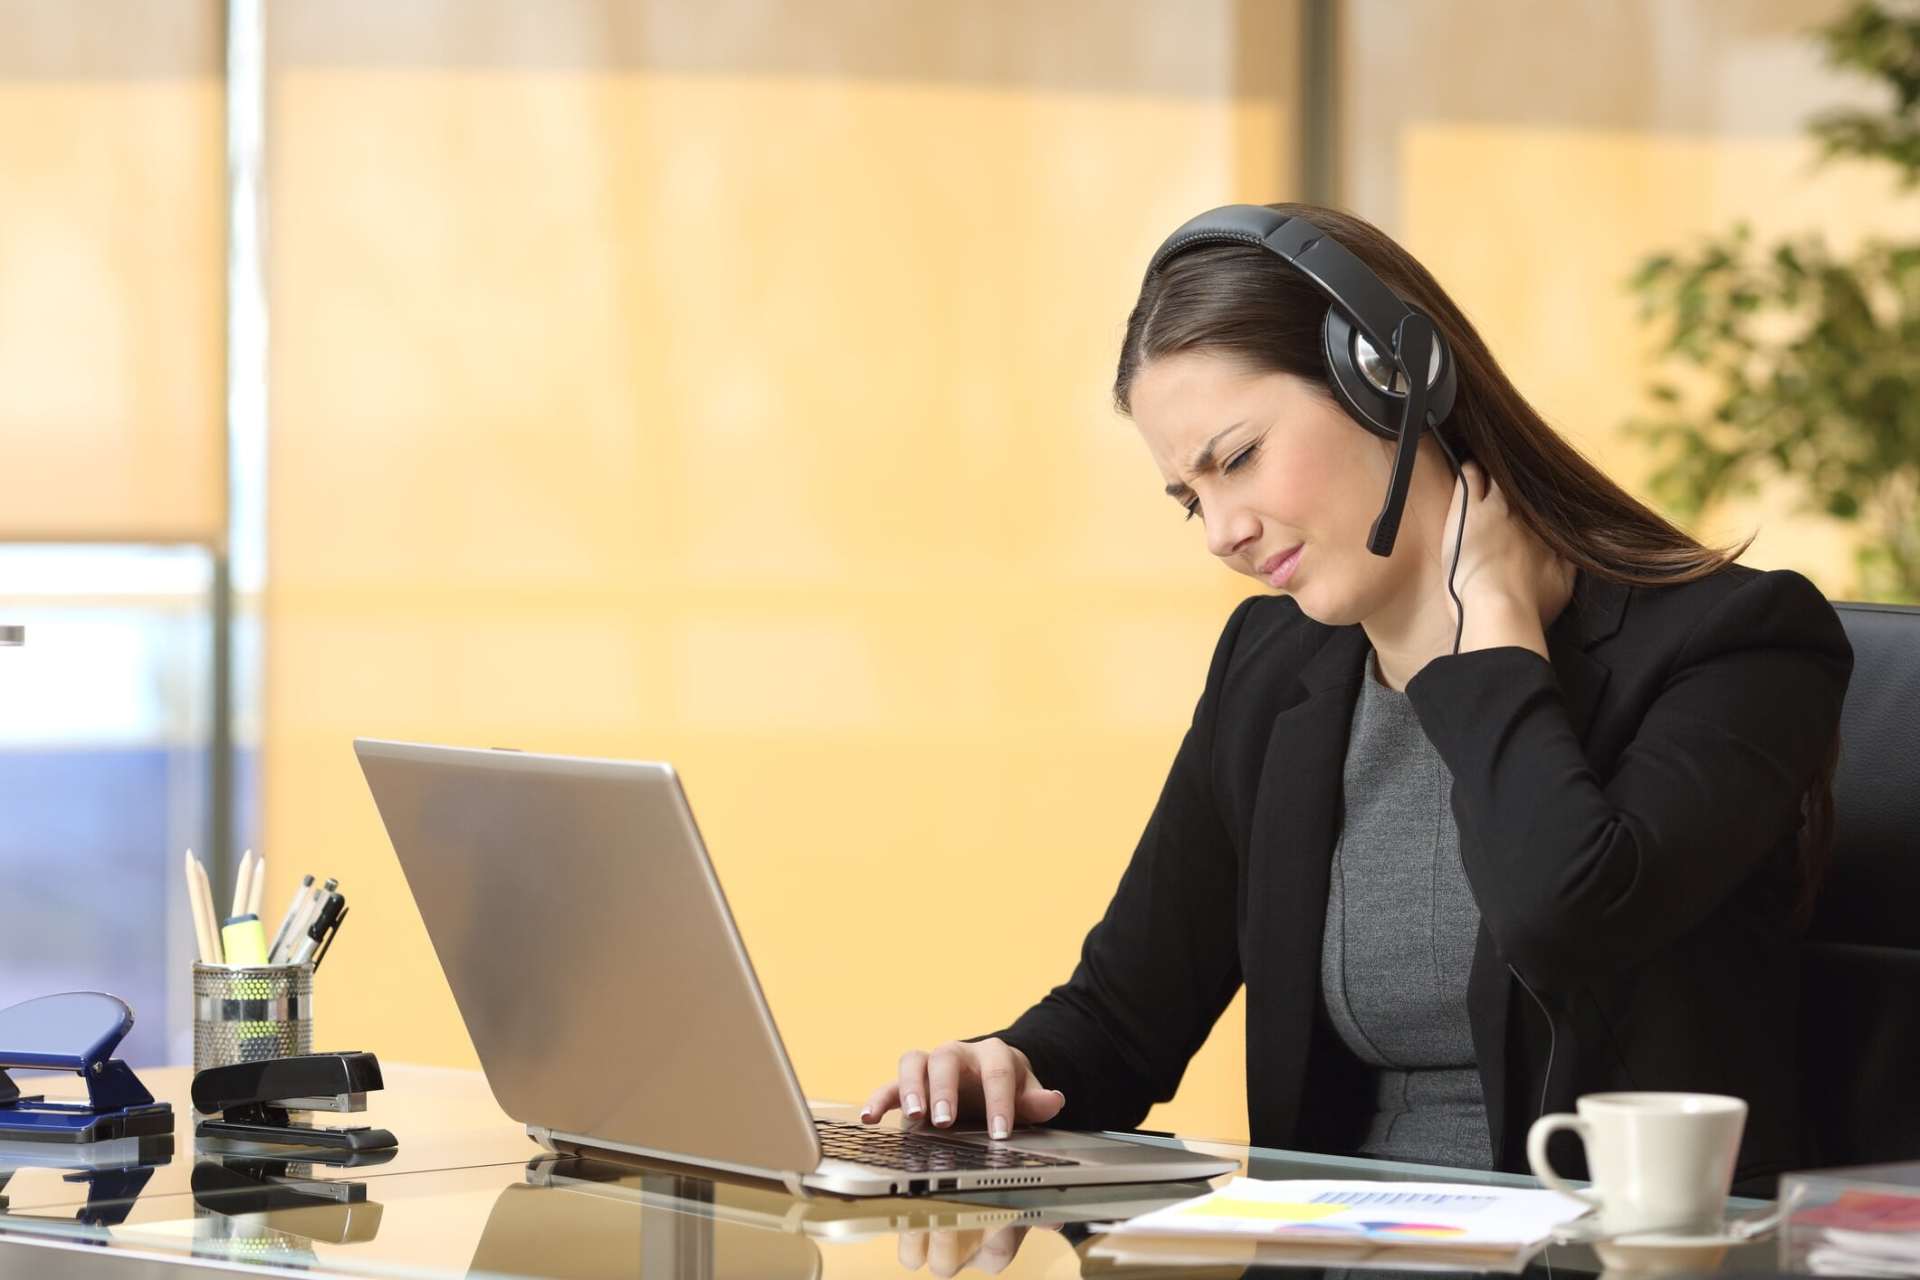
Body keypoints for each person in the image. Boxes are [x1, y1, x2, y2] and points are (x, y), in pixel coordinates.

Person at [858, 202, 1855, 1193]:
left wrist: (1490, 639)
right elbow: (1124, 1017)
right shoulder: (1275, 665)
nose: (1220, 532)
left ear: (1390, 379)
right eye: (1190, 497)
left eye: (1237, 458)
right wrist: (1007, 1069)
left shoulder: (1738, 647)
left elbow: (1565, 917)